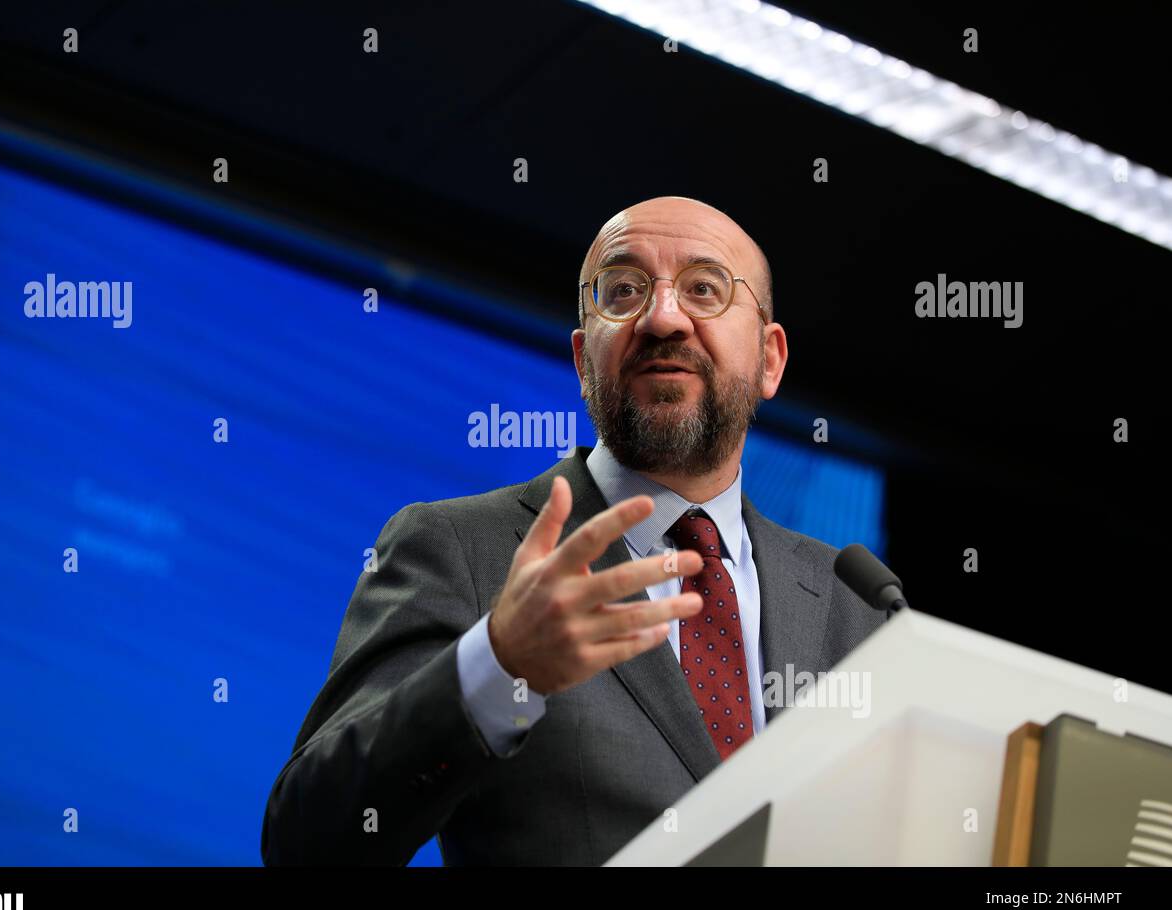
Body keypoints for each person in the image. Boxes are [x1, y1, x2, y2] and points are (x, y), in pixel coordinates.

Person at [261, 196, 887, 865]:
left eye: (704, 289)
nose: (662, 317)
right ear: (585, 361)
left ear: (770, 359)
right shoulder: (459, 547)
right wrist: (498, 667)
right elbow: (309, 840)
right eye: (624, 291)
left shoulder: (856, 603)